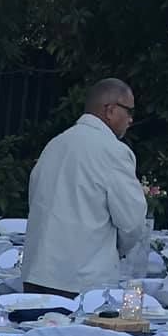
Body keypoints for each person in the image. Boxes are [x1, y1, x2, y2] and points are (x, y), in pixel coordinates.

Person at [20, 80, 148, 295]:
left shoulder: (55, 144)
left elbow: (35, 200)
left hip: (36, 273)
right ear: (110, 110)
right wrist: (115, 250)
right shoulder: (114, 151)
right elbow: (132, 223)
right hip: (82, 281)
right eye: (129, 111)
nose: (131, 119)